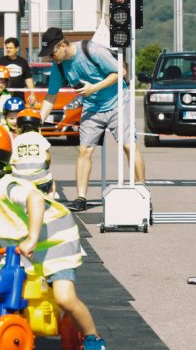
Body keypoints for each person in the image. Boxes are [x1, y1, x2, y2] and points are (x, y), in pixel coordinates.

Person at [0, 115, 108, 350]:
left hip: (55, 241)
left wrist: (32, 236)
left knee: (64, 297)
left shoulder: (8, 186)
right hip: (22, 249)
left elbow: (35, 199)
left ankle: (93, 339)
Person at [37, 27, 146, 212]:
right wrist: (36, 122)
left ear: (63, 45)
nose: (50, 58)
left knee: (129, 146)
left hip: (118, 101)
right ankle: (81, 197)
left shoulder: (92, 50)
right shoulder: (59, 66)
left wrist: (93, 88)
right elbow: (51, 97)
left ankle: (142, 192)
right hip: (92, 107)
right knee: (84, 151)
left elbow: (121, 72)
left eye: (52, 53)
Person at [11, 108, 56, 197]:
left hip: (20, 181)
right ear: (38, 126)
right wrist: (46, 167)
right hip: (41, 180)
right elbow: (47, 157)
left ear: (19, 126)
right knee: (52, 185)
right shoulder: (40, 138)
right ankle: (50, 204)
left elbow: (11, 161)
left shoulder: (16, 141)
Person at [0, 37, 35, 105]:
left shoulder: (23, 62)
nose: (8, 50)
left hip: (19, 97)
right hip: (3, 96)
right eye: (7, 48)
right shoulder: (0, 62)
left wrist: (32, 94)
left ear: (17, 49)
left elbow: (28, 79)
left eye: (11, 48)